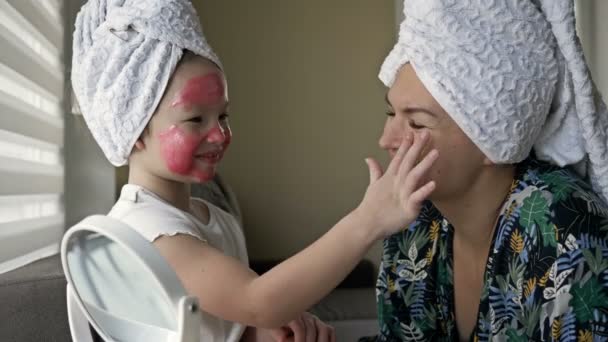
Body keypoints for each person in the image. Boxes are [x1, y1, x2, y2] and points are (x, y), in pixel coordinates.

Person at [69, 1, 439, 341]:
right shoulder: (147, 232)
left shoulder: (213, 219)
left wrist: (262, 333)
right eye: (195, 119)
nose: (219, 134)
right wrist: (368, 221)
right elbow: (257, 301)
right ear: (133, 131)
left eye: (223, 115)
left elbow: (220, 325)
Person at [363, 1, 608, 341]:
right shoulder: (414, 222)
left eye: (416, 122)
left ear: (492, 140)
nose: (386, 139)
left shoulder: (565, 229)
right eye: (392, 114)